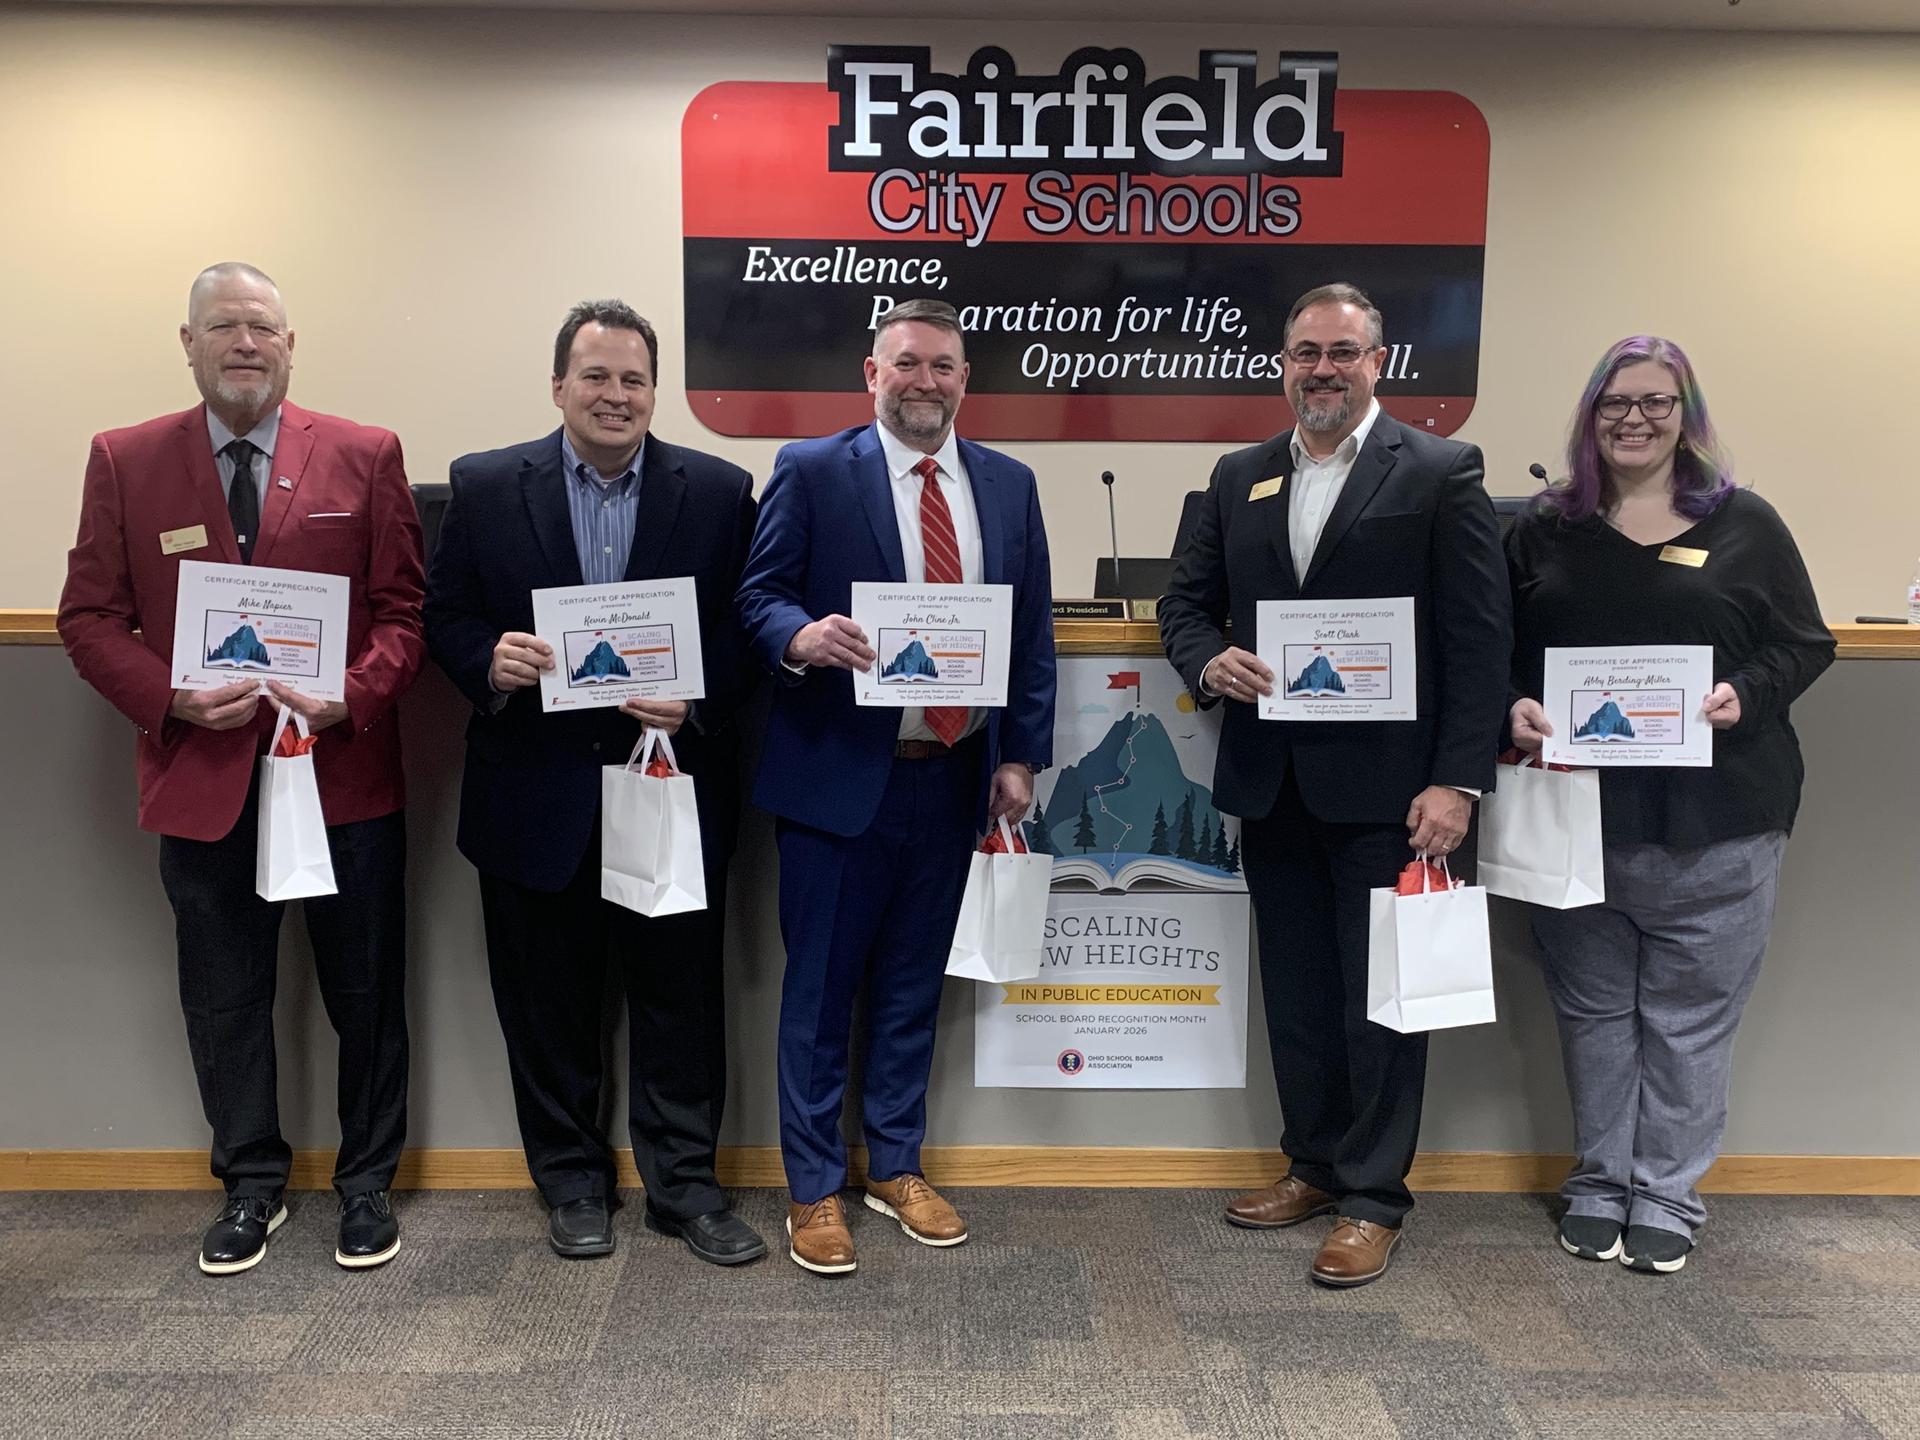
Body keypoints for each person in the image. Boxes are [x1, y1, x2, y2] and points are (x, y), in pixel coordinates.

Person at [58, 262, 424, 1275]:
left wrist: (355, 691)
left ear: (291, 343)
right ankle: (250, 1186)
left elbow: (404, 612)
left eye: (263, 327)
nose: (245, 343)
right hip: (204, 776)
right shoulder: (127, 460)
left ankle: (365, 1188)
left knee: (367, 995)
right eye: (223, 327)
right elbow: (88, 618)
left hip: (343, 774)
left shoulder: (364, 452)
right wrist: (168, 698)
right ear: (188, 344)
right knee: (224, 998)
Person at [1158, 281, 1510, 1288]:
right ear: (1283, 362)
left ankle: (1373, 1197)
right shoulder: (1240, 476)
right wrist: (1205, 659)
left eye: (1343, 352)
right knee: (1301, 997)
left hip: (1396, 794)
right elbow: (1186, 601)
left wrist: (1457, 783)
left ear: (1378, 362)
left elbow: (1479, 642)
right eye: (1307, 351)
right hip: (1274, 782)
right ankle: (1311, 1166)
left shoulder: (1440, 470)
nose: (1324, 368)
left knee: (1382, 1004)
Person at [423, 300, 765, 1266]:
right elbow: (439, 613)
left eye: (634, 380)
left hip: (668, 787)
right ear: (559, 386)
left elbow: (749, 630)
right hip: (536, 792)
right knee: (546, 1002)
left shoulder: (718, 488)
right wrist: (485, 660)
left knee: (681, 1002)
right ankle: (572, 1182)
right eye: (597, 377)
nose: (616, 396)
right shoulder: (487, 487)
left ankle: (685, 1190)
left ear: (654, 391)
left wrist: (695, 700)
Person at [736, 298, 1056, 1275]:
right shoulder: (812, 470)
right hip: (838, 777)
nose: (926, 381)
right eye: (907, 364)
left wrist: (1019, 756)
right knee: (823, 993)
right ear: (871, 374)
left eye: (945, 367)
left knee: (915, 988)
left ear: (966, 379)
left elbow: (1031, 631)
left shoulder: (1007, 484)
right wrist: (797, 636)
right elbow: (758, 594)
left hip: (953, 776)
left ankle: (898, 1163)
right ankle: (815, 1187)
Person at [1506, 335, 1833, 1274]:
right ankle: (1601, 1183)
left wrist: (1748, 696)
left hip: (1720, 820)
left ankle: (1668, 1195)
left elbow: (1804, 645)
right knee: (1595, 1012)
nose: (1634, 421)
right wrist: (1510, 707)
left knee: (1692, 1020)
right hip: (1577, 822)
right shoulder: (1543, 529)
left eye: (1654, 403)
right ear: (1588, 418)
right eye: (1614, 405)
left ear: (1686, 415)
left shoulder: (1747, 525)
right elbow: (1490, 652)